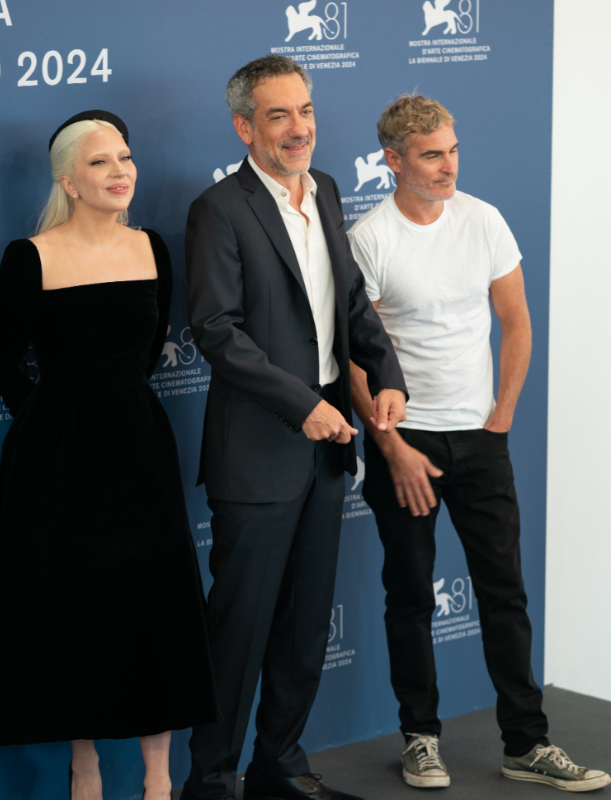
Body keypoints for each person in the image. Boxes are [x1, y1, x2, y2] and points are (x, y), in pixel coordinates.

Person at [348, 95, 611, 793]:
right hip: (406, 440)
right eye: (432, 154)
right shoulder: (369, 237)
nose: (449, 166)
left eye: (453, 150)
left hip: (480, 438)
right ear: (393, 160)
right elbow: (354, 357)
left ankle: (527, 743)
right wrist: (391, 445)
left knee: (504, 593)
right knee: (410, 594)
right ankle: (420, 739)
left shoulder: (483, 220)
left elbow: (516, 323)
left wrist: (501, 418)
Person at [0, 110, 219, 800]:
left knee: (153, 603)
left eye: (125, 158)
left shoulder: (151, 250)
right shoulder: (31, 258)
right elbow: (5, 361)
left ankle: (159, 778)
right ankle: (86, 766)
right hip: (56, 460)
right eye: (101, 161)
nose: (120, 171)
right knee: (72, 605)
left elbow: (149, 347)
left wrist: (113, 412)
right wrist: (49, 426)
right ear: (69, 181)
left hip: (140, 447)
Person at [181, 56, 407, 800]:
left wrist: (388, 374)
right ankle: (212, 779)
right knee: (239, 629)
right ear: (244, 127)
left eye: (304, 110)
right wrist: (301, 403)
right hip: (258, 451)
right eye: (278, 115)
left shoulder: (329, 190)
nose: (299, 128)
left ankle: (279, 764)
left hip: (327, 448)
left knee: (307, 623)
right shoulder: (219, 209)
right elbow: (217, 329)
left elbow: (351, 303)